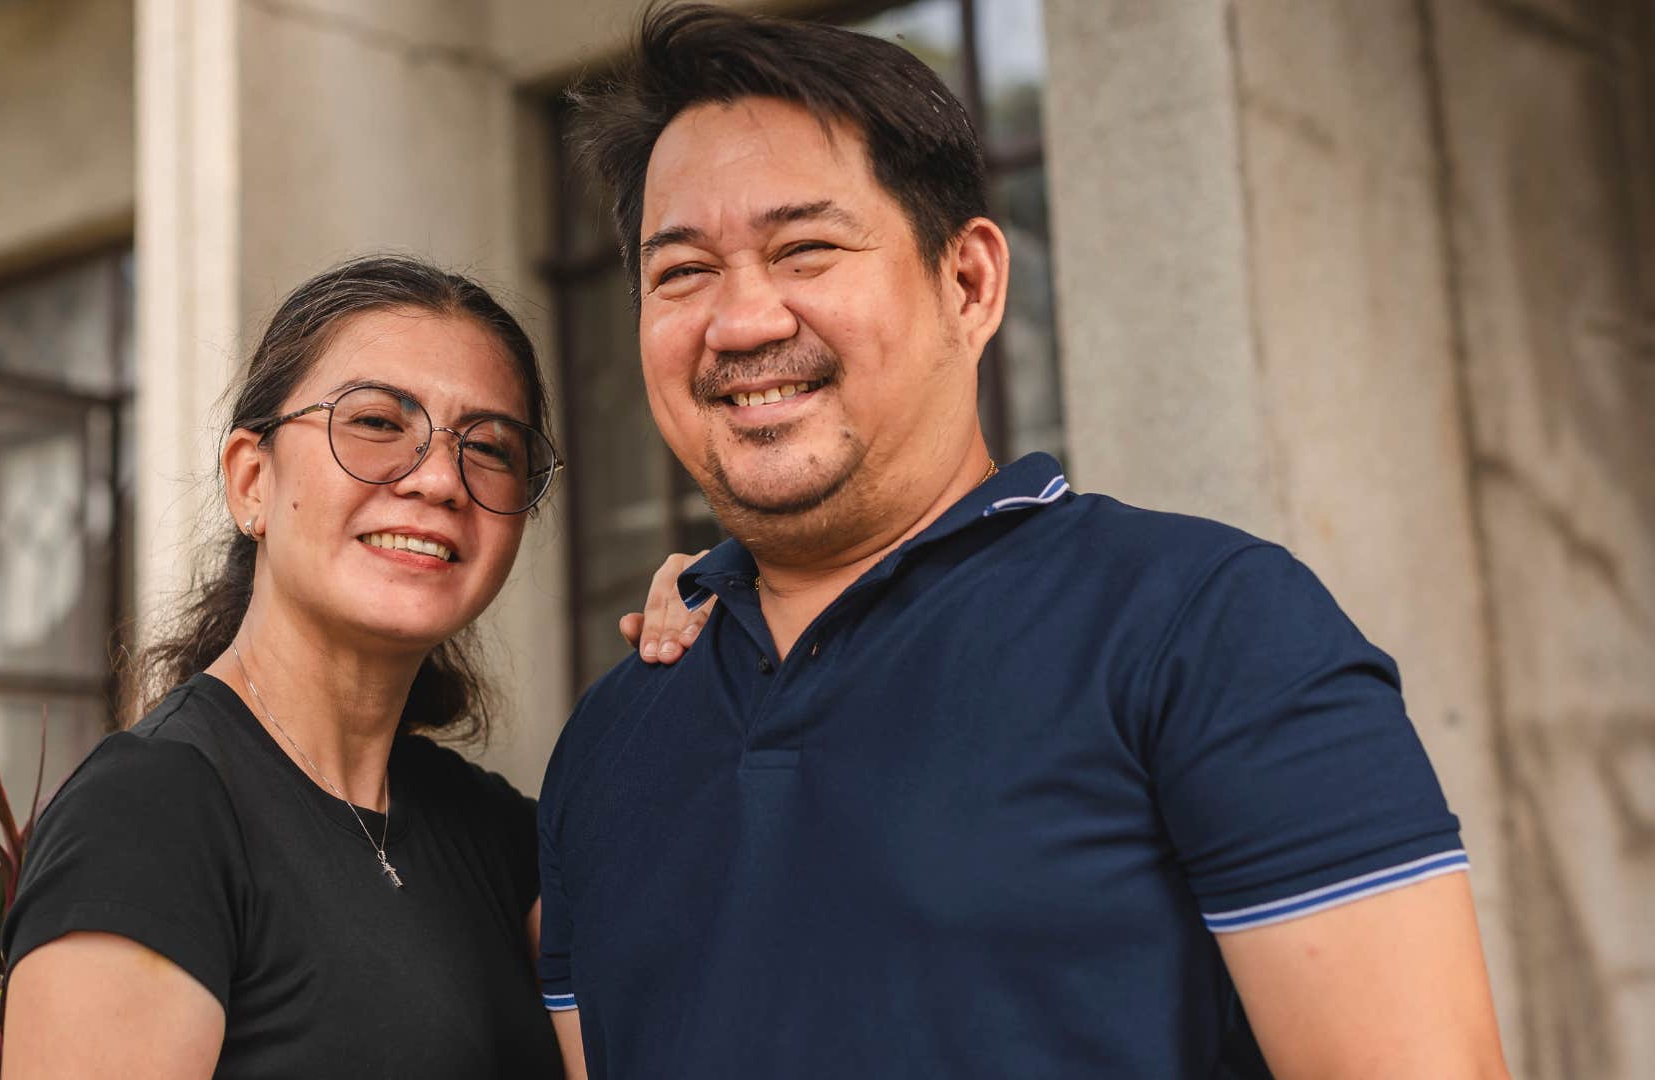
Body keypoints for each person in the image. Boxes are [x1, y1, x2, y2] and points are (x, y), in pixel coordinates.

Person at [537, 6, 1511, 1079]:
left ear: (970, 284)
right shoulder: (609, 738)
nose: (743, 320)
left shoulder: (1206, 628)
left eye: (805, 249)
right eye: (682, 273)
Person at [0, 255, 701, 1078]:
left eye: (490, 447)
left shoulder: (502, 839)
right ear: (251, 481)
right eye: (374, 423)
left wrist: (719, 667)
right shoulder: (149, 817)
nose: (440, 478)